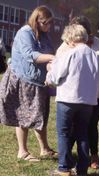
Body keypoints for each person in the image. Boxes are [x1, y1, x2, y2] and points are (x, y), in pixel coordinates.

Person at [46, 24, 99, 176]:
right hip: (88, 102)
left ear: (71, 39)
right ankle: (82, 170)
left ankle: (64, 168)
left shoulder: (69, 54)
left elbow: (55, 78)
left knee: (64, 133)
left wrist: (49, 70)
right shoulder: (97, 56)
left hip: (67, 100)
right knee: (83, 134)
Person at [0, 6, 57, 162]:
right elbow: (30, 55)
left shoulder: (44, 35)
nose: (48, 26)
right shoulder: (25, 33)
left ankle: (44, 149)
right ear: (36, 20)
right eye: (46, 23)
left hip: (39, 83)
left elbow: (47, 53)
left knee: (40, 116)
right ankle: (22, 151)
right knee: (23, 115)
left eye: (50, 23)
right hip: (23, 80)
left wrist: (51, 64)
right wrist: (52, 58)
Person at [70, 15, 99, 170]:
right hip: (78, 92)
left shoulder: (97, 42)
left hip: (97, 92)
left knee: (92, 124)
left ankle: (94, 155)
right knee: (73, 124)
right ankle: (69, 156)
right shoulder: (70, 42)